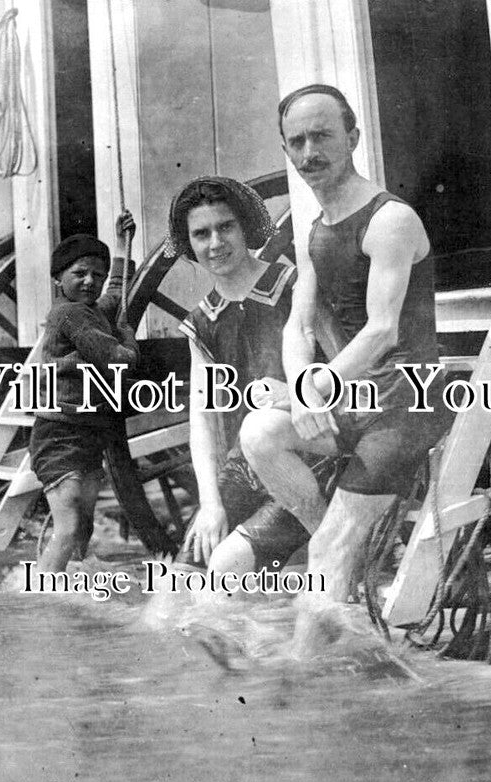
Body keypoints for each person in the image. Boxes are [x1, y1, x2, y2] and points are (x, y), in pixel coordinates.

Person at [239, 84, 448, 643]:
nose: (309, 152)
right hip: (352, 401)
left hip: (405, 407)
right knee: (260, 431)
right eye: (297, 141)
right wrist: (305, 385)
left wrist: (323, 384)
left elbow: (383, 330)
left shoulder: (389, 220)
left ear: (353, 137)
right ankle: (330, 548)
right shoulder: (314, 230)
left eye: (322, 136)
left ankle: (313, 677)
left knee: (326, 562)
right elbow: (298, 327)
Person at [169, 176, 339, 577]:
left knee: (222, 571)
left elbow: (352, 367)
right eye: (201, 233)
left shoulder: (294, 287)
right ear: (188, 243)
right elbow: (204, 424)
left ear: (245, 225)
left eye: (225, 227)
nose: (215, 243)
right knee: (175, 587)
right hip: (244, 469)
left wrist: (299, 391)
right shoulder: (202, 322)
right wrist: (210, 504)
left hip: (309, 458)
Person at [29, 212, 145, 573]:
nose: (90, 281)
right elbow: (121, 360)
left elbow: (116, 292)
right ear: (58, 279)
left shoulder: (92, 309)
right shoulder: (70, 316)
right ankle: (41, 601)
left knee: (84, 526)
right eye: (79, 273)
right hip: (60, 434)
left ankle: (73, 589)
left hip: (89, 432)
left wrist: (123, 244)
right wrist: (126, 335)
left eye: (96, 273)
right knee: (68, 527)